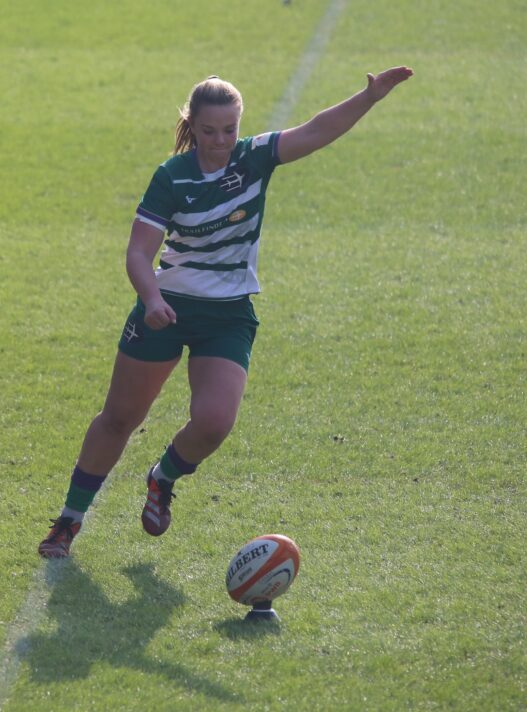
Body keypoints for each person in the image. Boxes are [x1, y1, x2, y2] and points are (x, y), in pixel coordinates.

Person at [39, 66, 414, 558]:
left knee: (214, 422)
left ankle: (163, 476)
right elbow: (138, 252)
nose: (220, 140)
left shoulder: (255, 159)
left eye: (229, 130)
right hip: (166, 307)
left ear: (240, 125)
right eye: (209, 130)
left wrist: (368, 98)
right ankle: (69, 519)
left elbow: (317, 130)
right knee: (119, 419)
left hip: (228, 314)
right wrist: (151, 300)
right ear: (191, 125)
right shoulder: (171, 176)